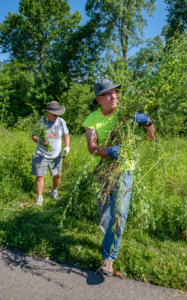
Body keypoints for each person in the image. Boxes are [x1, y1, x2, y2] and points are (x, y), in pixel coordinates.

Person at [83, 79, 155, 276]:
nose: (114, 96)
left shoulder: (127, 115)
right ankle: (109, 239)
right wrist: (109, 151)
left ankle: (108, 256)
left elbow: (152, 138)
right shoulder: (92, 119)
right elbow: (92, 148)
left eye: (115, 93)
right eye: (108, 94)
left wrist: (148, 122)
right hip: (104, 170)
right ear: (99, 99)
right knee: (105, 214)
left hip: (125, 170)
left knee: (119, 213)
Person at [32, 101, 70, 206]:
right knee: (40, 176)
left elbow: (66, 135)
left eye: (57, 114)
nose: (56, 116)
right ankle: (39, 197)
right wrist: (39, 140)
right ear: (48, 112)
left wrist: (67, 146)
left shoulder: (61, 122)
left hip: (56, 155)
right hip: (41, 154)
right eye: (54, 114)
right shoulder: (41, 122)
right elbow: (34, 136)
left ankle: (54, 192)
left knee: (57, 175)